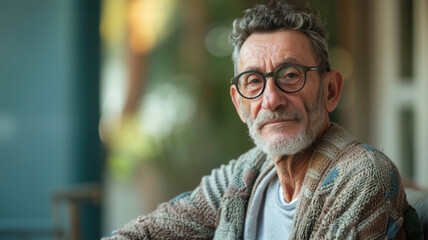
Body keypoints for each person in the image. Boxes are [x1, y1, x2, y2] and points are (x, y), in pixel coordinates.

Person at [103, 1, 423, 239]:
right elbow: (148, 232)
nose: (271, 99)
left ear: (331, 90)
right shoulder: (244, 175)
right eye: (254, 81)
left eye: (291, 75)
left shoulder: (363, 178)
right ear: (240, 104)